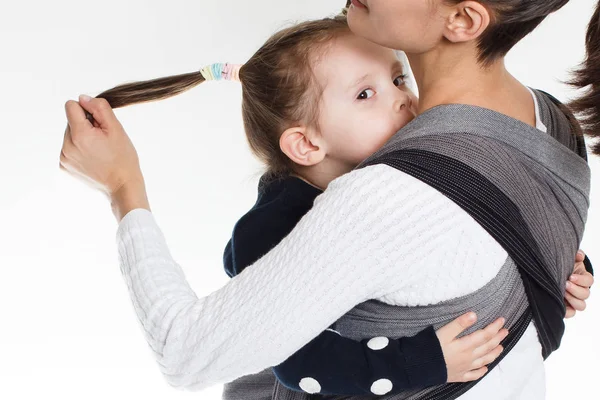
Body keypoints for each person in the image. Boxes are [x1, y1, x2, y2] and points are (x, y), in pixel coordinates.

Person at [59, 1, 596, 399]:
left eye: (387, 83)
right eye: (365, 93)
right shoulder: (551, 122)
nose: (396, 97)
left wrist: (123, 186)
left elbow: (183, 353)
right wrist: (552, 273)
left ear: (463, 19)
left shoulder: (388, 198)